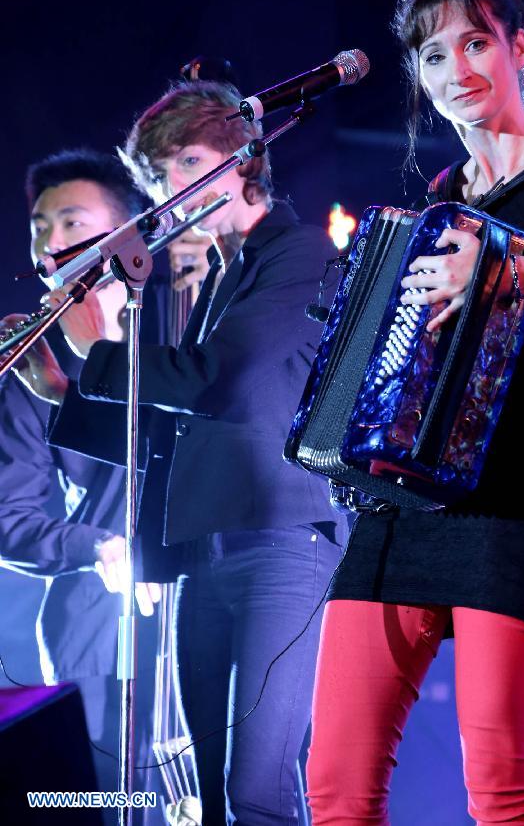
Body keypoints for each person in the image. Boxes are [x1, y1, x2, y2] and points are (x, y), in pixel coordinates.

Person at [304, 0, 524, 826]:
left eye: (477, 42)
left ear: (520, 47)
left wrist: (511, 270)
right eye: (435, 54)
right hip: (401, 510)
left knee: (498, 791)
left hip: (518, 506)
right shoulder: (436, 200)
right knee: (335, 788)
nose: (458, 68)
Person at [16, 80, 348, 825]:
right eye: (162, 176)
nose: (176, 189)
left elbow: (222, 379)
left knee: (256, 789)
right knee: (205, 794)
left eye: (191, 161)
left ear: (244, 158)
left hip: (282, 546)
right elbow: (173, 434)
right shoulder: (225, 278)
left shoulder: (299, 252)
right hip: (205, 553)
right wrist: (59, 388)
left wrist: (96, 346)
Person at [0, 149, 174, 817]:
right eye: (40, 226)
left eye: (72, 221)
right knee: (87, 798)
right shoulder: (32, 363)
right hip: (95, 626)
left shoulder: (179, 320)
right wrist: (94, 545)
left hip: (208, 597)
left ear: (128, 234)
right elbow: (10, 516)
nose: (51, 241)